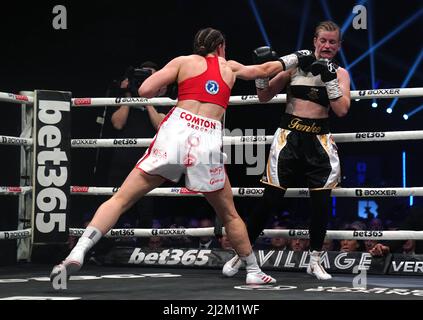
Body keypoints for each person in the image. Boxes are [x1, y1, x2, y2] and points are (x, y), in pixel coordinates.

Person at [50, 27, 289, 286]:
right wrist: (297, 57)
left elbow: (145, 90)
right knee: (229, 213)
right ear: (220, 47)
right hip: (207, 136)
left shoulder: (182, 62)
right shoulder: (228, 66)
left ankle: (78, 250)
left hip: (177, 128)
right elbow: (265, 71)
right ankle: (253, 270)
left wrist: (168, 82)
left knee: (120, 199)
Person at [222, 21, 351, 280]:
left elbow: (342, 110)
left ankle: (314, 260)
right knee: (269, 200)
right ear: (315, 40)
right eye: (323, 40)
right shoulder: (294, 67)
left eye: (332, 42)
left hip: (320, 140)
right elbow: (264, 96)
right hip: (288, 138)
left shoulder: (341, 73)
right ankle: (242, 254)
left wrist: (329, 81)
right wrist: (261, 73)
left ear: (338, 46)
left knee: (321, 203)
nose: (326, 46)